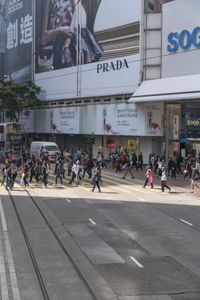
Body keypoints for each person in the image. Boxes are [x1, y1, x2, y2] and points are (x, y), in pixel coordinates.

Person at [37, 0, 103, 71]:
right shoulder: (47, 2)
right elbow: (43, 38)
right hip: (58, 40)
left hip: (72, 35)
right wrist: (60, 30)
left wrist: (69, 36)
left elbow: (75, 12)